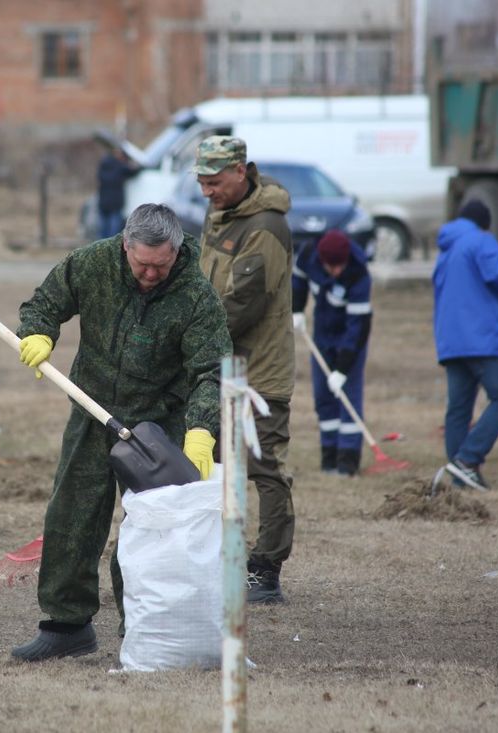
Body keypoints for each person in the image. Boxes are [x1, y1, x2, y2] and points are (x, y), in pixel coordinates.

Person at [11, 203, 231, 662]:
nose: (150, 274)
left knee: (153, 526)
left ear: (176, 252)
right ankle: (66, 625)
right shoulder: (92, 263)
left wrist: (200, 430)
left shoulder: (196, 296)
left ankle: (145, 627)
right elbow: (45, 303)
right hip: (93, 409)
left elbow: (211, 371)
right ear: (126, 246)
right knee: (72, 514)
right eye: (142, 264)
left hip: (158, 424)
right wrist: (38, 333)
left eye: (160, 266)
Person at [192, 135, 296, 605]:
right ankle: (216, 558)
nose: (207, 192)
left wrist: (190, 341)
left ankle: (266, 570)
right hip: (219, 366)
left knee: (265, 469)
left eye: (214, 182)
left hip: (259, 374)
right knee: (211, 463)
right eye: (201, 183)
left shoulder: (267, 225)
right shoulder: (219, 214)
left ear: (240, 171)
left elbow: (243, 305)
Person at [433, 199, 498, 490]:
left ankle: (460, 478)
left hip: (451, 342)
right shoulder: (480, 240)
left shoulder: (446, 249)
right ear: (484, 224)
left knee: (459, 409)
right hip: (483, 339)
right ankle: (467, 461)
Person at [292, 229, 373, 477]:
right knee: (323, 398)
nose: (335, 271)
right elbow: (298, 279)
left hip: (349, 340)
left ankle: (348, 462)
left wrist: (342, 369)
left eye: (339, 267)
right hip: (321, 337)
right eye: (331, 267)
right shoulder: (309, 254)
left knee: (348, 398)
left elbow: (358, 327)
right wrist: (297, 309)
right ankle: (329, 459)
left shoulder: (359, 275)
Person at [96, 147, 138, 239]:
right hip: (115, 203)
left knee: (102, 230)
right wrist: (133, 164)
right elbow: (134, 171)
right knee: (113, 233)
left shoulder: (103, 166)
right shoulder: (120, 167)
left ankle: (101, 246)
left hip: (103, 202)